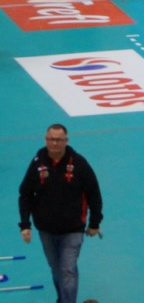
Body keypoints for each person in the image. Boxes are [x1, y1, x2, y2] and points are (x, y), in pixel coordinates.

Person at [17, 123, 103, 303]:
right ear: (45, 140)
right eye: (51, 139)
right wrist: (25, 224)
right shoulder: (37, 163)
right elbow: (25, 194)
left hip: (73, 229)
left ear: (66, 141)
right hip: (46, 230)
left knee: (67, 270)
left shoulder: (79, 164)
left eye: (58, 140)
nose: (54, 143)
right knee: (57, 270)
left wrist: (94, 223)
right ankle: (62, 299)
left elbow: (94, 193)